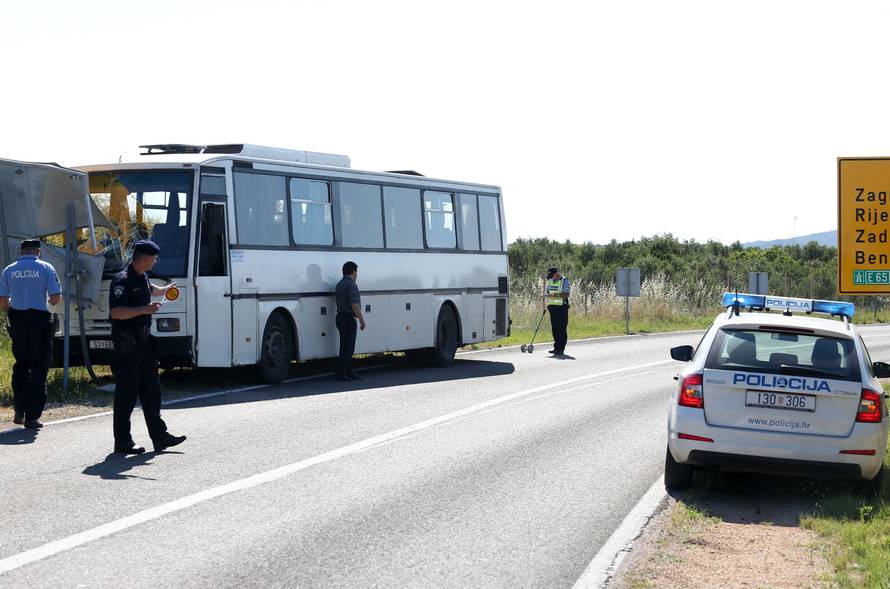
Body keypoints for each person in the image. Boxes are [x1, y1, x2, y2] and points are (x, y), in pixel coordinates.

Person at [109, 239, 186, 454]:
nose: (156, 261)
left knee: (152, 392)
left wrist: (165, 290)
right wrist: (144, 309)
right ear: (144, 259)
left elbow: (150, 288)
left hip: (144, 343)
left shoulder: (142, 276)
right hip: (127, 344)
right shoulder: (121, 281)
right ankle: (123, 442)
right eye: (153, 258)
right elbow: (116, 312)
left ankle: (160, 437)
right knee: (127, 393)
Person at [0, 239, 62, 429]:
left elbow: (3, 302)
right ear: (38, 251)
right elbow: (55, 297)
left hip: (18, 321)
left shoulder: (9, 270)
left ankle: (19, 410)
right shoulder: (46, 267)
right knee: (39, 367)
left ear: (21, 251)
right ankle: (32, 416)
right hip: (39, 321)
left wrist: (16, 304)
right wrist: (46, 304)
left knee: (21, 365)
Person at [334, 260, 366, 381]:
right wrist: (362, 320)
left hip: (340, 317)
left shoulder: (340, 284)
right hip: (348, 318)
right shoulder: (351, 285)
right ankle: (342, 373)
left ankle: (348, 372)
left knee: (344, 346)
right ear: (353, 271)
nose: (357, 274)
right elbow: (354, 305)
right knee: (349, 348)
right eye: (356, 272)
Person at [543, 266, 570, 355]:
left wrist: (557, 294)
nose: (551, 278)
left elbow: (566, 294)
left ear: (556, 274)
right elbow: (547, 292)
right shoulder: (550, 281)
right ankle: (556, 347)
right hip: (552, 308)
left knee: (561, 328)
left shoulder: (564, 280)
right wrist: (546, 295)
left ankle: (561, 348)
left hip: (562, 308)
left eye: (552, 276)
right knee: (554, 329)